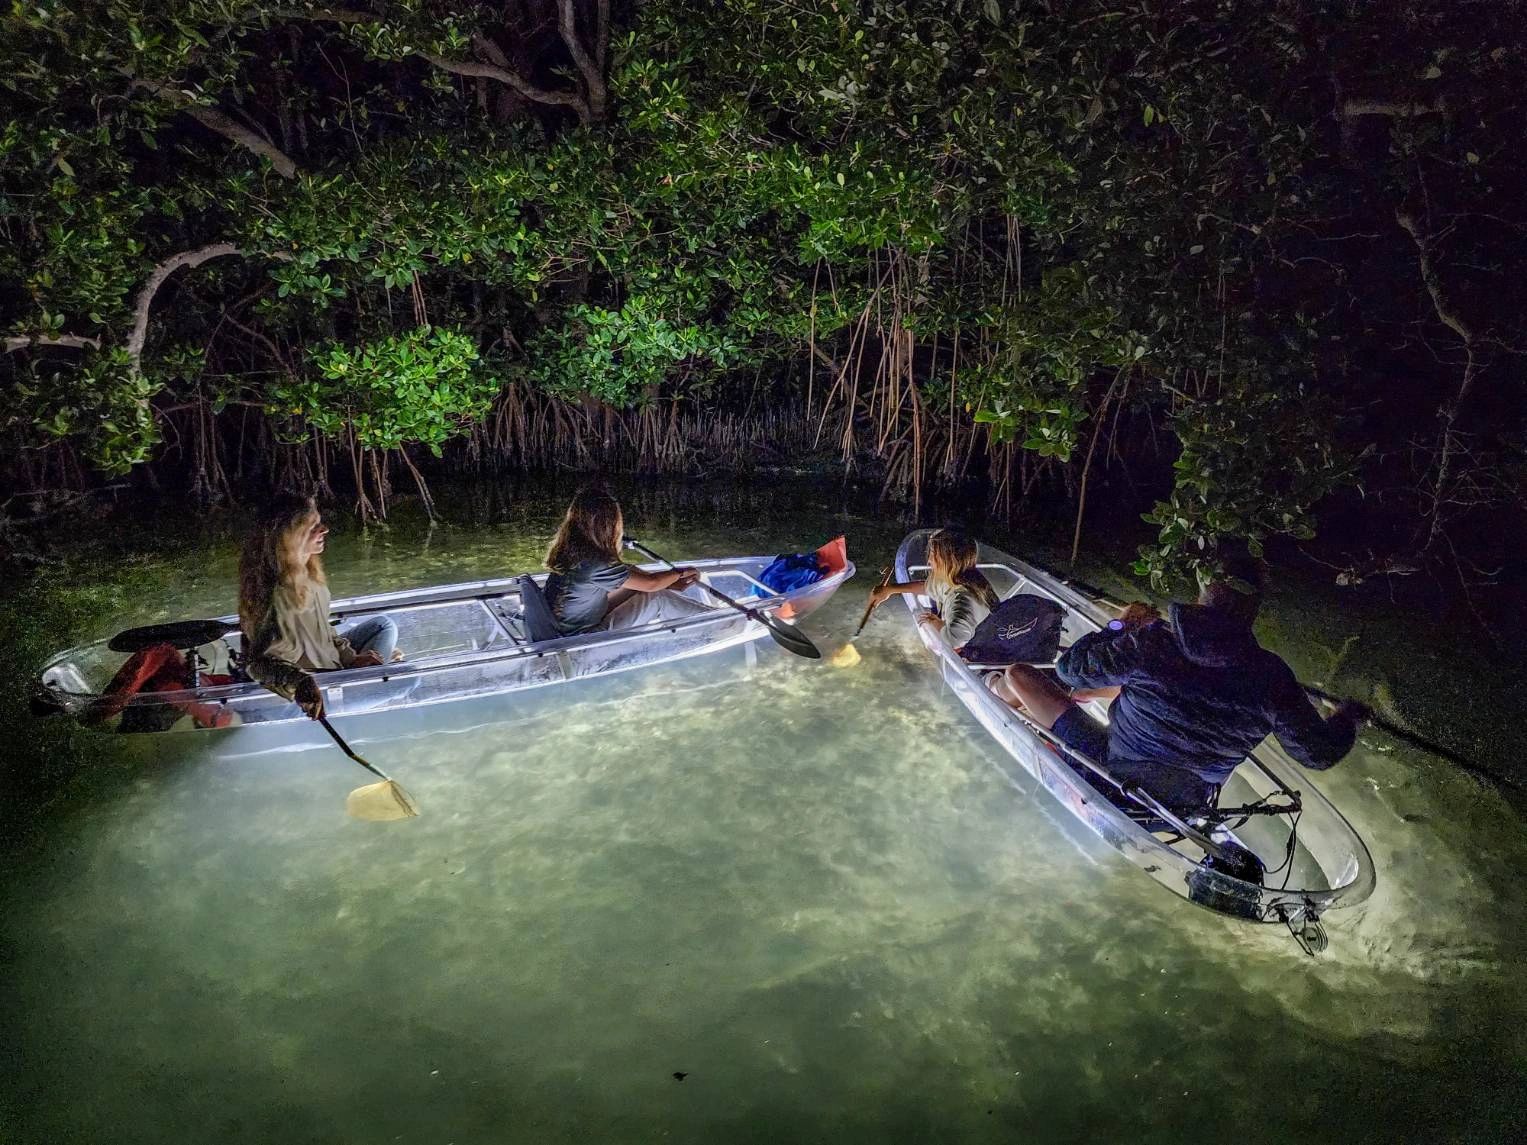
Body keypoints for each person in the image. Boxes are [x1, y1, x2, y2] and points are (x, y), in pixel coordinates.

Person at [988, 554, 1364, 816]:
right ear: (1252, 610)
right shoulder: (1272, 676)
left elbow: (1070, 668)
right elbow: (1318, 753)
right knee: (1123, 692)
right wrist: (1347, 718)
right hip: (1192, 798)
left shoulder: (1154, 642)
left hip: (1116, 766)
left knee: (1019, 674)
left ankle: (996, 692)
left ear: (1204, 593)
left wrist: (1121, 626)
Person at [238, 492, 399, 720]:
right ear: (291, 535)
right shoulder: (281, 594)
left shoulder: (307, 573)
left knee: (384, 625)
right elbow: (259, 664)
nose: (324, 529)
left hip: (331, 663)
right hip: (322, 686)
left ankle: (366, 675)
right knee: (410, 678)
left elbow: (323, 630)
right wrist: (301, 683)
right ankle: (362, 698)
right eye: (313, 526)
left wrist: (350, 658)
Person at [543, 484, 715, 635]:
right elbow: (651, 584)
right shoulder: (596, 564)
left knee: (642, 589)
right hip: (579, 646)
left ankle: (709, 618)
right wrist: (681, 573)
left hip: (569, 629)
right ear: (606, 525)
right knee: (657, 598)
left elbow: (632, 575)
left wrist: (669, 582)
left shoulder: (572, 552)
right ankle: (724, 624)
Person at [867, 528, 999, 649]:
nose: (929, 560)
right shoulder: (965, 577)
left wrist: (935, 623)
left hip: (979, 654)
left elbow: (955, 640)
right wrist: (890, 589)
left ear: (949, 560)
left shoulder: (962, 600)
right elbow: (929, 588)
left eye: (933, 554)